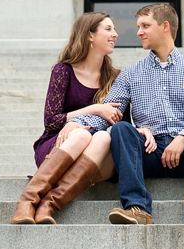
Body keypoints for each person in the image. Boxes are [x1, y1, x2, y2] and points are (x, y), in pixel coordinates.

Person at [71, 2, 184, 225]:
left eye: (145, 25)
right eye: (138, 26)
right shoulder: (130, 74)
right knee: (120, 129)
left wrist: (183, 137)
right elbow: (108, 111)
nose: (138, 32)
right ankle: (137, 208)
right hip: (148, 152)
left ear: (165, 26)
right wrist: (75, 123)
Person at [12, 12, 136, 225]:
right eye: (108, 29)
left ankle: (47, 203)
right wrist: (95, 109)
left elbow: (122, 124)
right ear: (90, 35)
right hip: (59, 147)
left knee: (104, 138)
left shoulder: (117, 77)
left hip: (98, 158)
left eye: (114, 29)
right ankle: (30, 202)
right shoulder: (63, 71)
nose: (115, 34)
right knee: (79, 135)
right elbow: (51, 121)